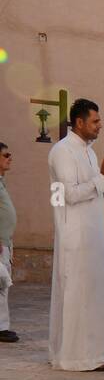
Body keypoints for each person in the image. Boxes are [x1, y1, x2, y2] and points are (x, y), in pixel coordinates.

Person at [48, 99, 104, 371]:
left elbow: (97, 189)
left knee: (93, 294)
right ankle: (73, 356)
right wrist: (103, 175)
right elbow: (70, 194)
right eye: (95, 121)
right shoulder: (62, 151)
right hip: (74, 236)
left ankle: (94, 354)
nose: (100, 126)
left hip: (94, 235)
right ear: (79, 122)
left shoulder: (88, 151)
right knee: (76, 295)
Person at [0, 142, 18, 344]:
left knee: (2, 284)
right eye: (6, 155)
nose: (9, 158)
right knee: (2, 284)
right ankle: (1, 327)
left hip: (5, 242)